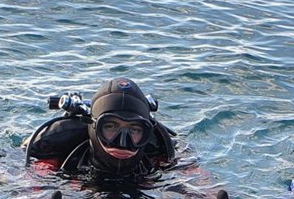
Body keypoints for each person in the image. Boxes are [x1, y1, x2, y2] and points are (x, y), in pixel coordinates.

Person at [24, 77, 178, 185]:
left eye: (135, 129)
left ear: (147, 132)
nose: (122, 142)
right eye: (110, 127)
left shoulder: (161, 149)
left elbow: (198, 187)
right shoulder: (59, 154)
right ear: (93, 126)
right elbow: (26, 197)